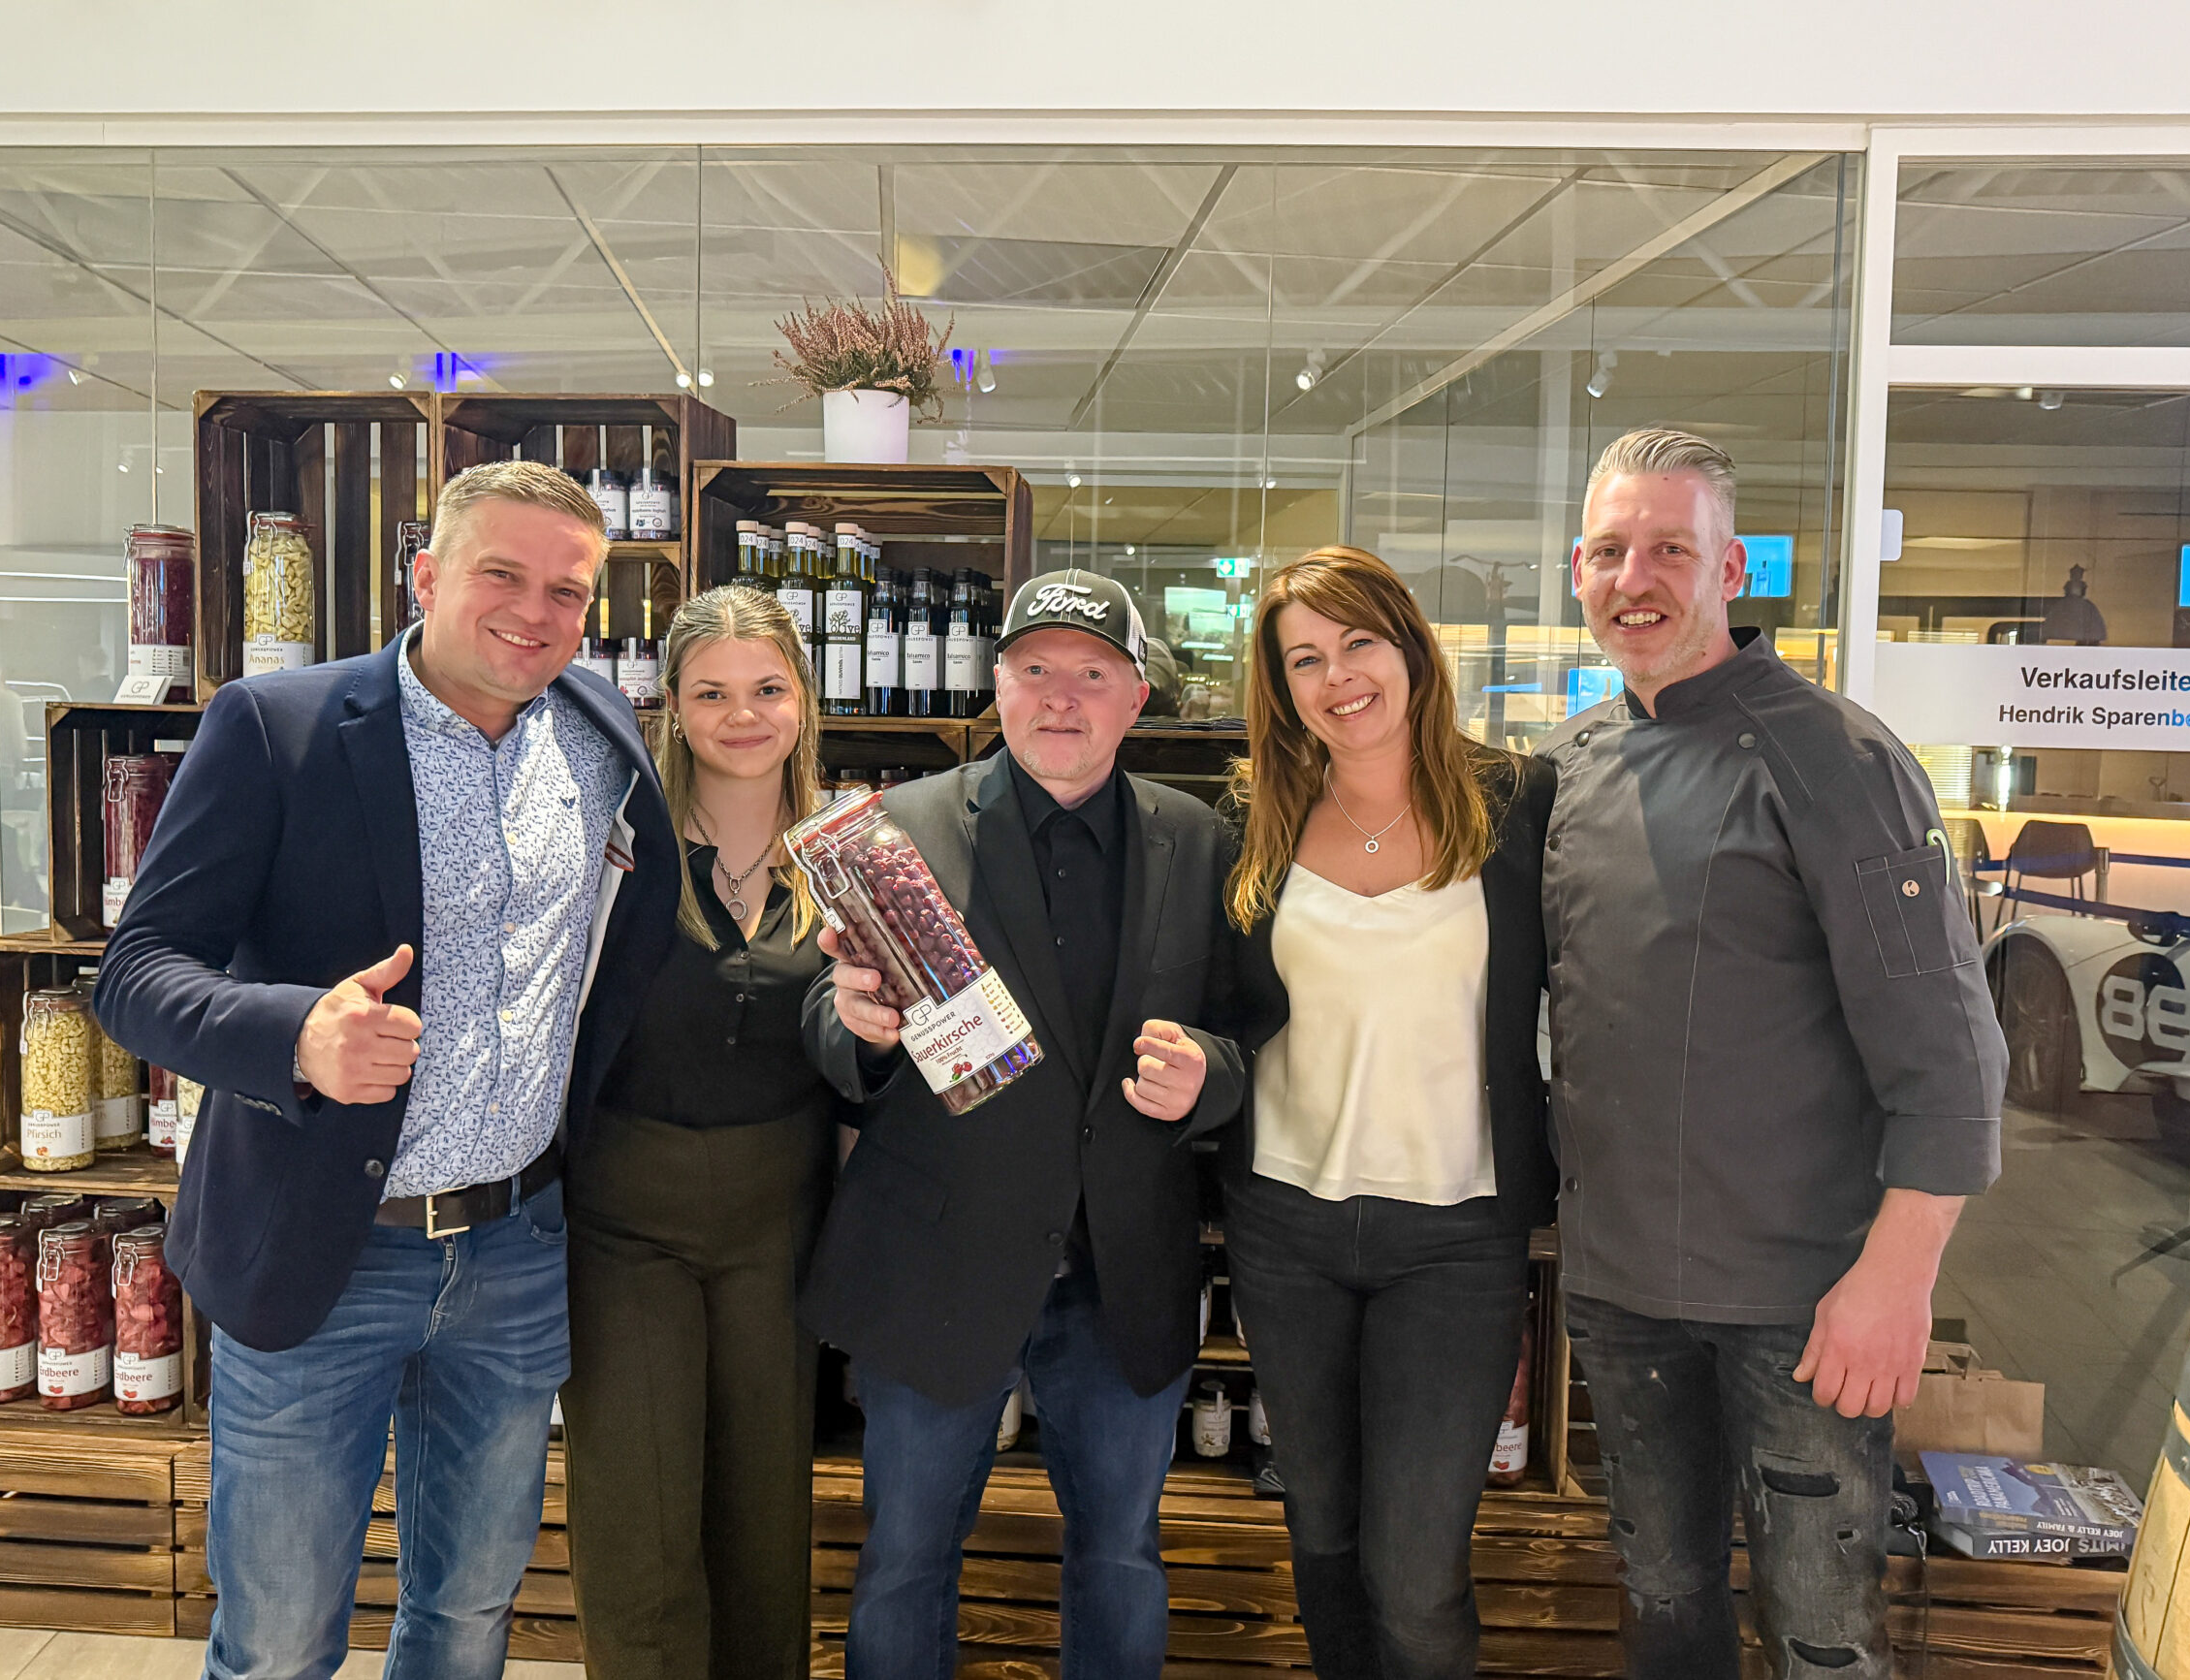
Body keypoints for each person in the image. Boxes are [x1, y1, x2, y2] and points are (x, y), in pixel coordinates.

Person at [94, 461, 673, 1680]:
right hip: (325, 1246)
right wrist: (296, 1035)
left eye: (567, 590)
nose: (534, 612)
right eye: (501, 573)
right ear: (425, 575)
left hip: (515, 1247)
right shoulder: (278, 725)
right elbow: (136, 971)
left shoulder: (600, 735)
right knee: (278, 1640)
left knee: (465, 1618)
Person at [1537, 428, 2005, 1679]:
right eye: (1609, 551)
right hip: (1620, 1287)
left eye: (1669, 549)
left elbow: (1951, 1053)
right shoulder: (1570, 764)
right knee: (1662, 1601)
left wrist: (1896, 1277)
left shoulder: (1837, 760)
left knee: (1822, 1636)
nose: (1634, 578)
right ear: (1576, 570)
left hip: (1803, 1302)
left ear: (1731, 567)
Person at [805, 568, 1247, 1680]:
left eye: (1091, 673)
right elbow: (825, 1014)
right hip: (938, 1260)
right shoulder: (895, 828)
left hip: (1122, 1268)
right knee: (903, 1560)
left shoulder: (1198, 838)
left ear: (1136, 696)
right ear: (994, 683)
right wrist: (855, 1022)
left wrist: (1209, 1075)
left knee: (1121, 1557)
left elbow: (1246, 1029)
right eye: (1034, 667)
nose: (1060, 695)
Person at [1215, 546, 1555, 1680]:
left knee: (1414, 1568)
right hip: (1284, 1227)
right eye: (1304, 658)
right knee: (1320, 1530)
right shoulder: (1251, 814)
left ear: (1410, 648)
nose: (1337, 676)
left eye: (1357, 641)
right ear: (1280, 686)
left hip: (1455, 1235)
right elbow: (1218, 1010)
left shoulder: (1515, 801)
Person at [560, 586, 837, 1680]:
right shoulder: (617, 842)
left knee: (766, 1510)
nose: (743, 715)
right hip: (625, 1220)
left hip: (783, 1219)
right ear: (670, 704)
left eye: (767, 688)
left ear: (803, 698)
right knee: (639, 1510)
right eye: (711, 692)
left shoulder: (849, 853)